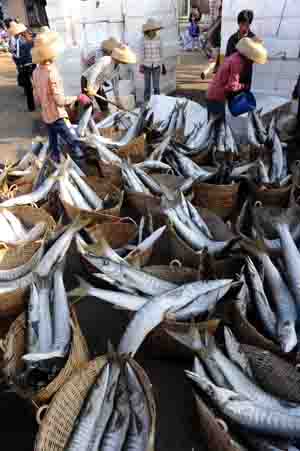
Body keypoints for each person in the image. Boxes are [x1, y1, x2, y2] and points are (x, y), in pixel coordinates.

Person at [31, 31, 84, 163]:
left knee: (53, 139)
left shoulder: (36, 72)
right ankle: (81, 162)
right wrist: (77, 98)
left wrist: (45, 104)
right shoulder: (52, 72)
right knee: (72, 140)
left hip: (46, 114)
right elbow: (60, 101)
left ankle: (55, 156)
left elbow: (36, 97)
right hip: (56, 114)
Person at [206, 37, 267, 119]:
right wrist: (244, 86)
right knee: (217, 127)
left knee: (216, 124)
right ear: (249, 56)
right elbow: (232, 86)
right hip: (216, 97)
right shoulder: (238, 63)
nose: (253, 62)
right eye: (253, 60)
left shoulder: (235, 56)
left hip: (215, 93)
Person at [83, 44, 136, 111]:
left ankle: (104, 114)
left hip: (98, 83)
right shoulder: (106, 60)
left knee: (104, 105)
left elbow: (115, 86)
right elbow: (94, 73)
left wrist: (118, 101)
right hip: (87, 79)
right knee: (87, 104)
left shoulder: (117, 68)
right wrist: (89, 87)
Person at [140, 18, 165, 102]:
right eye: (151, 30)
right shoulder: (143, 39)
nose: (153, 31)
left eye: (154, 30)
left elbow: (161, 52)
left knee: (156, 87)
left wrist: (163, 65)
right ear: (147, 30)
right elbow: (142, 53)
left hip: (157, 66)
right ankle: (146, 103)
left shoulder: (159, 38)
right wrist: (141, 65)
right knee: (147, 87)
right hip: (146, 66)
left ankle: (157, 103)